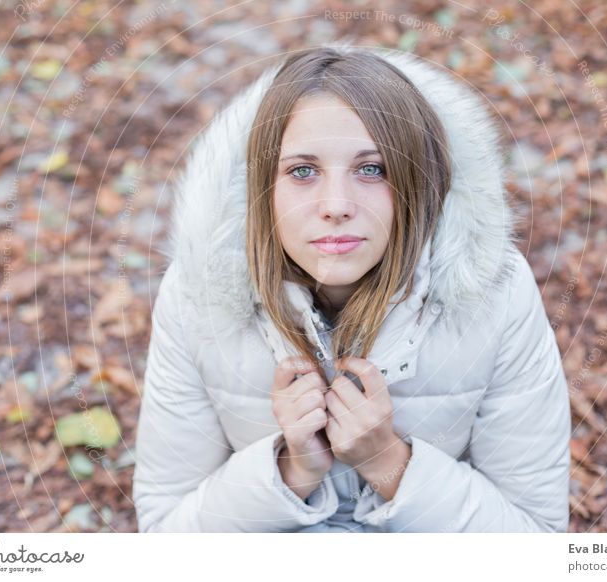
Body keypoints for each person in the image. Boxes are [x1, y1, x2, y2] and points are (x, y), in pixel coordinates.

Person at [132, 42, 571, 533]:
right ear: (262, 188)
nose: (336, 204)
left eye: (372, 169)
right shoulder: (197, 297)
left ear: (419, 182)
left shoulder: (498, 293)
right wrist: (289, 472)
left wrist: (389, 463)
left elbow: (539, 541)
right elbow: (164, 537)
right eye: (302, 171)